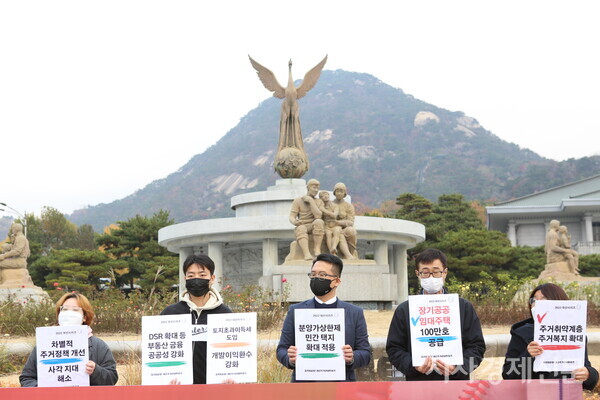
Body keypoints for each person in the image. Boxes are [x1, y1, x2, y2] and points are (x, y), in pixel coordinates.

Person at [386, 248, 485, 380]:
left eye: (436, 272)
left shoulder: (462, 307)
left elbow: (476, 346)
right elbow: (394, 348)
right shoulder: (405, 309)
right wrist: (413, 366)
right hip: (418, 383)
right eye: (425, 272)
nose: (431, 277)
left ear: (445, 273)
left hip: (455, 383)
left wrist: (458, 368)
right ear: (418, 274)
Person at [276, 253, 371, 382]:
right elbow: (281, 349)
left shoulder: (354, 313)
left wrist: (352, 356)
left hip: (342, 387)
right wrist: (290, 359)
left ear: (336, 281)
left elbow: (365, 353)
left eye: (322, 275)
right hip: (304, 387)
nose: (316, 278)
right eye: (313, 274)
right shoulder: (296, 311)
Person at [502, 283, 598, 390]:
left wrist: (589, 374)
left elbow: (585, 368)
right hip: (532, 393)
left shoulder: (573, 333)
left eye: (544, 299)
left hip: (564, 393)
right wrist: (527, 356)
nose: (537, 304)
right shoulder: (521, 333)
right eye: (533, 300)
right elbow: (508, 374)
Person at [20, 293, 118, 387]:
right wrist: (42, 389)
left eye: (75, 310)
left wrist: (96, 371)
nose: (69, 314)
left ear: (84, 317)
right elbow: (27, 378)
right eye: (65, 309)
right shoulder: (45, 344)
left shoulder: (98, 346)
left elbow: (112, 378)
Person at [161, 254, 232, 384]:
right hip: (179, 389)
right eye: (191, 276)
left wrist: (231, 376)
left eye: (202, 275)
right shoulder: (170, 314)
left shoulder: (225, 315)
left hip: (214, 389)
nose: (196, 279)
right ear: (185, 278)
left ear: (212, 278)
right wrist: (165, 377)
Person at [289, 179, 325, 260]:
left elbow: (318, 216)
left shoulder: (319, 201)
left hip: (314, 225)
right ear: (308, 187)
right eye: (314, 187)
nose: (316, 190)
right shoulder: (298, 200)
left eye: (317, 188)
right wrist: (295, 222)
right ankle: (306, 254)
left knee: (319, 222)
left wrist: (311, 201)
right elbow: (292, 216)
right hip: (303, 225)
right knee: (301, 228)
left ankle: (317, 249)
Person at [332, 182, 357, 259]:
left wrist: (339, 222)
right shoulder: (329, 204)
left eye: (341, 191)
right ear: (334, 192)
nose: (339, 193)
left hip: (344, 229)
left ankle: (351, 253)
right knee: (338, 232)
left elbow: (350, 222)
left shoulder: (349, 206)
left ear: (344, 193)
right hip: (332, 228)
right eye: (337, 191)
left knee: (351, 231)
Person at [317, 191, 343, 256]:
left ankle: (334, 247)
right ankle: (332, 252)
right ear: (321, 198)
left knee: (337, 231)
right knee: (328, 234)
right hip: (326, 225)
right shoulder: (320, 206)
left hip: (334, 224)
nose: (326, 196)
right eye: (323, 196)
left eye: (327, 195)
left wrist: (324, 210)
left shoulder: (335, 206)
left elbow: (334, 215)